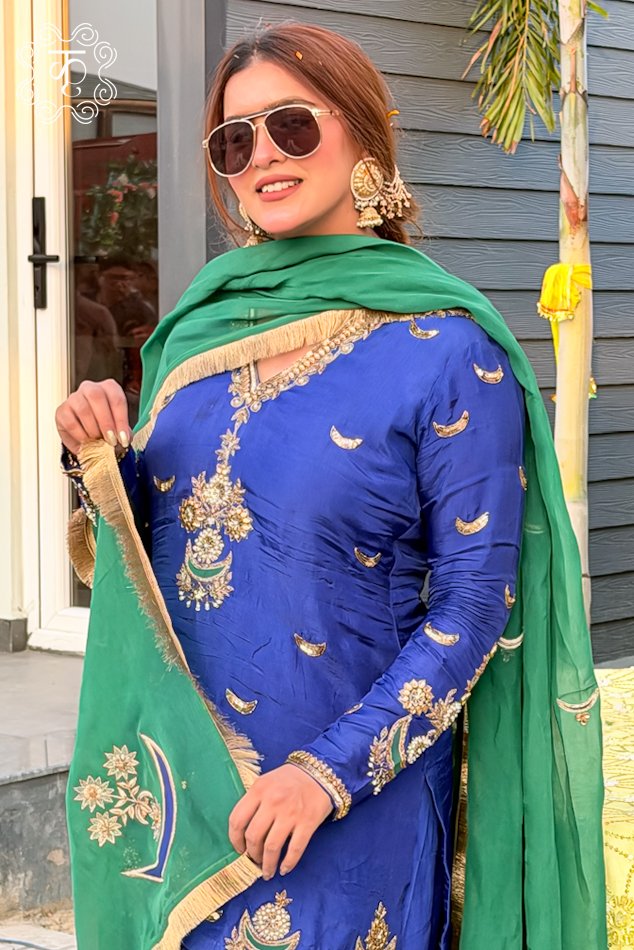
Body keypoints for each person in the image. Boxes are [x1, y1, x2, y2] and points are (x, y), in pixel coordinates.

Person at [56, 22, 606, 950]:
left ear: (362, 134)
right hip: (190, 791)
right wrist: (99, 463)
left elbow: (475, 605)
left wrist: (327, 775)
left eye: (292, 126)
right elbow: (161, 559)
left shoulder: (448, 348)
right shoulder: (200, 333)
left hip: (350, 806)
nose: (262, 156)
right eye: (235, 140)